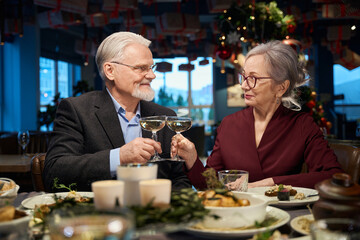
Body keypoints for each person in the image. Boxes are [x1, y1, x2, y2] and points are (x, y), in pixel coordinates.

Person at [172, 40, 344, 190]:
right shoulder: (229, 124)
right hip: (237, 216)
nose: (244, 86)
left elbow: (332, 175)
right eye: (244, 77)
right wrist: (192, 158)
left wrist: (272, 182)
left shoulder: (302, 125)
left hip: (283, 215)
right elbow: (209, 185)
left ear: (281, 87)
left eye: (253, 78)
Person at [43, 32, 191, 191]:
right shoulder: (77, 110)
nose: (152, 75)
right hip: (99, 211)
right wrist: (119, 157)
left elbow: (179, 179)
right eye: (141, 68)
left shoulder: (165, 116)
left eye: (151, 67)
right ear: (110, 71)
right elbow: (54, 172)